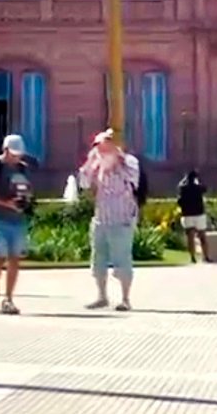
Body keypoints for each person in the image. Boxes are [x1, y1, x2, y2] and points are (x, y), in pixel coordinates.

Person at [78, 129, 140, 311]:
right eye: (97, 146)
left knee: (122, 261)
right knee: (98, 261)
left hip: (121, 220)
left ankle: (125, 299)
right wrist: (90, 164)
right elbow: (83, 184)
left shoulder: (128, 162)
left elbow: (134, 179)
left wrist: (115, 159)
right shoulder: (97, 164)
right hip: (101, 219)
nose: (100, 150)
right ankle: (102, 296)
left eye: (104, 145)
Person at [0, 135, 33, 314]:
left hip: (17, 219)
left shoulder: (22, 168)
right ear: (6, 150)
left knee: (14, 259)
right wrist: (5, 203)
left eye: (19, 154)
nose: (17, 157)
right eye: (14, 154)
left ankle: (8, 299)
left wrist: (24, 201)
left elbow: (27, 189)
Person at [177, 170, 210, 263]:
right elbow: (205, 188)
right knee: (202, 236)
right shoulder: (199, 188)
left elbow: (179, 188)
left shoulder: (183, 188)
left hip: (187, 214)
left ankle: (192, 257)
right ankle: (206, 256)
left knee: (190, 237)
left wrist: (184, 180)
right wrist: (199, 180)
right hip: (199, 214)